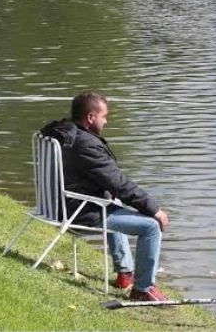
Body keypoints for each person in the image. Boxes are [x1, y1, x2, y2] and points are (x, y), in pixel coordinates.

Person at [40, 91, 170, 302]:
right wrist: (154, 209)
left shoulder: (63, 132)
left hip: (58, 204)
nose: (106, 121)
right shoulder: (86, 145)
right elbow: (119, 184)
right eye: (104, 116)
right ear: (91, 117)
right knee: (151, 227)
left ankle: (126, 274)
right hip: (79, 212)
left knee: (113, 201)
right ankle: (143, 289)